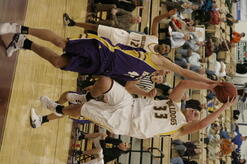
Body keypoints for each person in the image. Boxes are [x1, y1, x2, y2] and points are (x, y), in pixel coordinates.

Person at [0, 22, 217, 97]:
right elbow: (185, 73)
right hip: (103, 50)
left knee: (58, 62)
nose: (165, 75)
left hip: (98, 68)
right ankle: (18, 28)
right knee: (62, 43)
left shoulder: (145, 77)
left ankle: (22, 43)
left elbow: (129, 86)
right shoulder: (157, 60)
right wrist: (210, 84)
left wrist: (146, 92)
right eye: (168, 73)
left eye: (163, 79)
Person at [32, 76, 235, 139]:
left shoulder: (180, 129)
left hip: (127, 124)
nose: (194, 113)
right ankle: (70, 103)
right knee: (104, 82)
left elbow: (202, 125)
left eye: (196, 115)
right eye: (194, 110)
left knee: (84, 109)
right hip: (129, 104)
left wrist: (222, 108)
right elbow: (183, 84)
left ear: (192, 121)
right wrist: (210, 85)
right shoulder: (174, 102)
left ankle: (57, 110)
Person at [62, 13, 171, 54]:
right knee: (96, 28)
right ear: (164, 44)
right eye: (166, 47)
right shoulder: (154, 38)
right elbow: (156, 20)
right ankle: (73, 23)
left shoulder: (152, 55)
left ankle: (69, 43)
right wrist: (167, 14)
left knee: (94, 43)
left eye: (166, 50)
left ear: (163, 53)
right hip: (123, 35)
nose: (164, 48)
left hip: (120, 47)